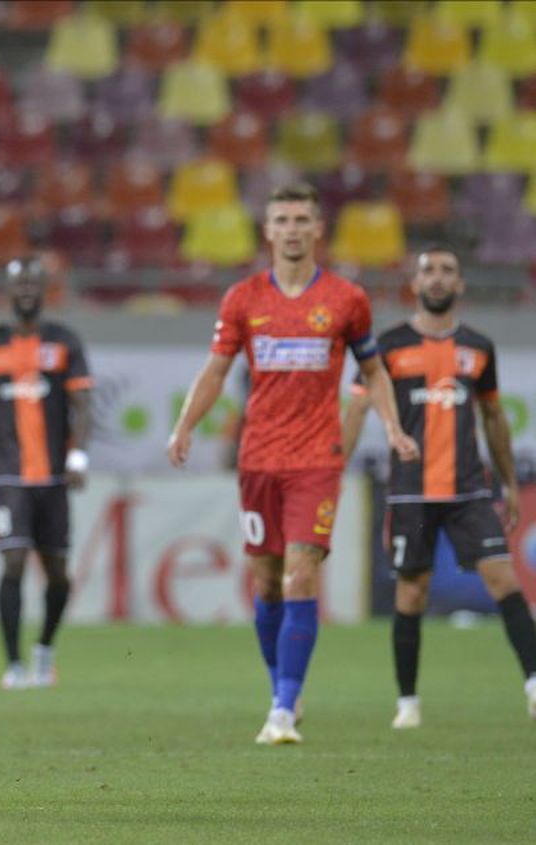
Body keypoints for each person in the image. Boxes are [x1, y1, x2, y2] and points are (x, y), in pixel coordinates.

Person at [166, 183, 420, 745]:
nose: (293, 228)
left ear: (318, 228)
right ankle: (285, 686)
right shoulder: (243, 298)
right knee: (266, 582)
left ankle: (281, 710)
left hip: (316, 458)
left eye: (303, 218)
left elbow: (374, 372)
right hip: (258, 458)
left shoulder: (348, 299)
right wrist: (185, 425)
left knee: (300, 573)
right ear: (268, 230)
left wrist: (395, 427)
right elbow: (214, 371)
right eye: (282, 218)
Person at [342, 244, 536, 729]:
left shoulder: (478, 347)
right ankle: (407, 702)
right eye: (428, 270)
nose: (437, 278)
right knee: (411, 595)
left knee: (504, 580)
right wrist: (334, 468)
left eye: (447, 271)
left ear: (460, 284)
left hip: (470, 490)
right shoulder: (386, 345)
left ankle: (534, 682)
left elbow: (493, 417)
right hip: (410, 491)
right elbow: (358, 407)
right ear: (415, 282)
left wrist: (509, 483)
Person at [0, 256, 92, 689]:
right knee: (13, 561)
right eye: (20, 284)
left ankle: (45, 649)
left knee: (56, 571)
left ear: (45, 289)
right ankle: (14, 663)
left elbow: (83, 405)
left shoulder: (65, 341)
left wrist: (77, 456)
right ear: (9, 291)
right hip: (8, 475)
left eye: (35, 283)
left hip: (53, 475)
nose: (27, 291)